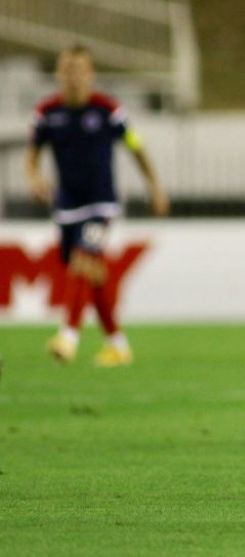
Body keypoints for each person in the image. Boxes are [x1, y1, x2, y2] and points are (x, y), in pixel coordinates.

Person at [26, 44, 169, 367]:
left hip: (102, 204)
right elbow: (32, 154)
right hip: (67, 205)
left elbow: (137, 147)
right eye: (68, 69)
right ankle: (117, 344)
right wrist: (33, 178)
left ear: (90, 74)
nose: (74, 76)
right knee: (91, 272)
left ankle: (68, 336)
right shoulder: (47, 113)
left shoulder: (108, 110)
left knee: (82, 259)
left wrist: (154, 186)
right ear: (58, 73)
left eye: (80, 70)